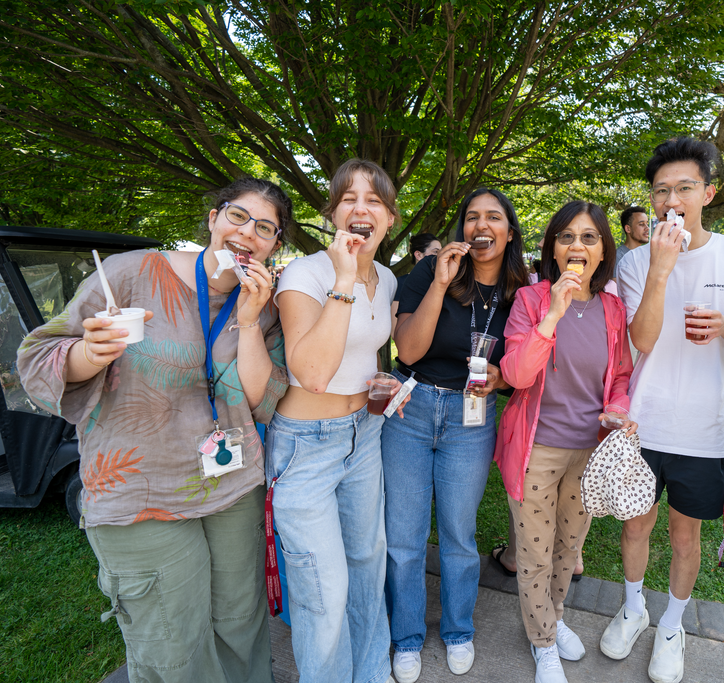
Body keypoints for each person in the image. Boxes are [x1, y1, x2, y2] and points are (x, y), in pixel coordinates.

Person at [17, 177, 291, 683]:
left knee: (240, 625)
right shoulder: (130, 272)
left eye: (265, 228)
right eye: (238, 216)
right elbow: (36, 358)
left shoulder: (264, 304)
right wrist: (86, 354)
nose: (248, 232)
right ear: (213, 218)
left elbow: (259, 399)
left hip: (231, 484)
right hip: (139, 491)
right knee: (175, 648)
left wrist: (251, 321)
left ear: (274, 245)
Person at [605, 138, 724, 683]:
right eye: (661, 190)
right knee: (635, 527)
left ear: (709, 191)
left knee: (685, 535)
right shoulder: (634, 261)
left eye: (684, 187)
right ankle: (633, 608)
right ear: (651, 199)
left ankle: (672, 626)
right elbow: (642, 340)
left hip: (705, 427)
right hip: (642, 422)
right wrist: (660, 267)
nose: (672, 197)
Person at [383, 188, 528, 682]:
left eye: (493, 217)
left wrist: (501, 379)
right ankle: (406, 637)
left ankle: (458, 630)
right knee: (403, 535)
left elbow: (523, 368)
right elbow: (406, 350)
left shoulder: (522, 291)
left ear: (509, 231)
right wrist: (441, 284)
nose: (480, 225)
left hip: (473, 415)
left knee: (458, 535)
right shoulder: (429, 271)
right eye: (471, 217)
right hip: (413, 407)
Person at [269, 158, 402, 683]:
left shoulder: (388, 278)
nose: (361, 208)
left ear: (389, 218)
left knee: (369, 566)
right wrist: (344, 279)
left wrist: (381, 387)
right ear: (332, 212)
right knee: (324, 591)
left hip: (364, 435)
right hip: (305, 447)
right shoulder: (306, 274)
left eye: (373, 200)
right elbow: (314, 374)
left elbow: (367, 356)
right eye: (349, 198)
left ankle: (369, 674)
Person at [492, 201, 634, 683]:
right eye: (567, 237)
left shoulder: (613, 308)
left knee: (567, 550)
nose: (577, 246)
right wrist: (552, 313)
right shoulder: (531, 302)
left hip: (590, 451)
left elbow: (619, 375)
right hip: (537, 450)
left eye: (589, 237)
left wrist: (617, 407)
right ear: (552, 248)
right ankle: (543, 643)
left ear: (602, 252)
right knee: (534, 551)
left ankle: (551, 620)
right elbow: (515, 373)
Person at [392, 232, 442, 320]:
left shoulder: (440, 283)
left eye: (441, 252)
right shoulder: (400, 283)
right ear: (418, 255)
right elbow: (395, 329)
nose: (440, 256)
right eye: (435, 252)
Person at [615, 206, 650, 274]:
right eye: (641, 224)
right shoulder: (617, 257)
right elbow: (615, 284)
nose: (647, 228)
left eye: (647, 224)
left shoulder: (647, 255)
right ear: (628, 229)